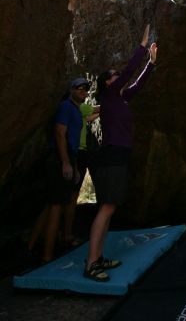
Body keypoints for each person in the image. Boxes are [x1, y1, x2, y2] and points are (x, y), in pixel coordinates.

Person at [84, 25, 157, 282]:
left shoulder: (121, 98)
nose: (118, 77)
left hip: (118, 156)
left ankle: (98, 255)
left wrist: (151, 63)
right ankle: (91, 262)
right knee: (106, 208)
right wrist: (142, 46)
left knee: (110, 208)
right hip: (111, 157)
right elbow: (127, 74)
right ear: (107, 82)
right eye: (113, 76)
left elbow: (136, 84)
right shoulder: (108, 95)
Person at [28, 77, 90, 264]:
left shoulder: (76, 111)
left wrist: (74, 165)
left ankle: (30, 246)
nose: (83, 90)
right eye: (78, 87)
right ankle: (47, 256)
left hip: (68, 157)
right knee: (56, 206)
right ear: (71, 89)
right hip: (58, 159)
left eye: (85, 88)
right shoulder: (65, 106)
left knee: (51, 204)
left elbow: (73, 141)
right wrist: (65, 162)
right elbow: (59, 133)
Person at [62, 101, 100, 248]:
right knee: (72, 195)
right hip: (78, 151)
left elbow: (88, 119)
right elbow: (96, 109)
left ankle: (66, 232)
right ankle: (67, 234)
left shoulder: (77, 112)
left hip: (78, 152)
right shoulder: (80, 106)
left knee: (70, 195)